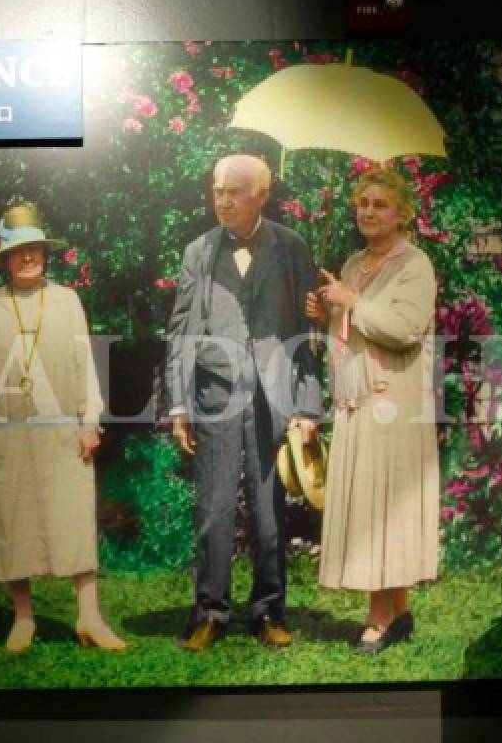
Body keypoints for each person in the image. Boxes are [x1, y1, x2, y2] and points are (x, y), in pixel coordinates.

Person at [163, 154, 321, 652]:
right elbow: (181, 330)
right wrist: (179, 406)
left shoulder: (292, 247)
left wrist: (308, 406)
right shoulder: (199, 252)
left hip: (275, 399)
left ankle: (268, 611)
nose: (223, 201)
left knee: (270, 512)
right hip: (215, 394)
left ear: (262, 196)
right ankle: (211, 612)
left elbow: (308, 335)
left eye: (234, 192)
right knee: (214, 508)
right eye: (217, 191)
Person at [0, 202, 127, 653]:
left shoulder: (67, 300)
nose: (28, 257)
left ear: (44, 253)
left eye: (34, 249)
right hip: (8, 432)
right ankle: (23, 619)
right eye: (18, 251)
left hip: (61, 431)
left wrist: (89, 421)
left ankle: (89, 617)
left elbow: (83, 366)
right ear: (6, 259)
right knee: (12, 522)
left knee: (72, 519)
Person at [304, 166, 439, 654]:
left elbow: (403, 328)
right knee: (370, 504)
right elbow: (351, 331)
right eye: (362, 203)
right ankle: (398, 611)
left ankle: (378, 618)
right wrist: (327, 315)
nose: (368, 212)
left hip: (395, 403)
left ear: (402, 213)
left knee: (383, 508)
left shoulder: (414, 265)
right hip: (358, 397)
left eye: (380, 204)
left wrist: (352, 301)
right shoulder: (354, 262)